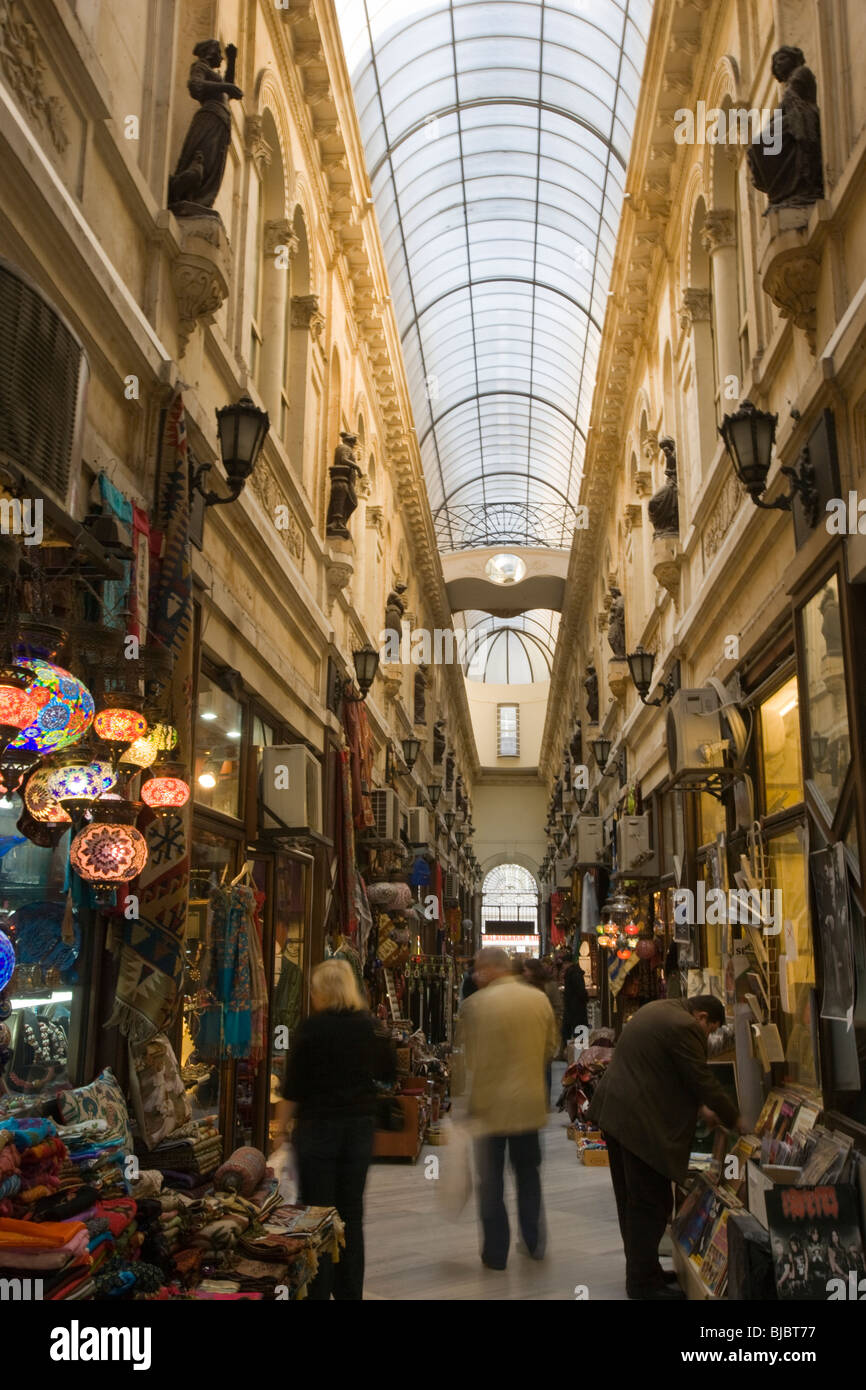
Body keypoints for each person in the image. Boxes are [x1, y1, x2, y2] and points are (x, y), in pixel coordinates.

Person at [589, 994, 746, 1301]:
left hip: (617, 1113)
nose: (708, 1036)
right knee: (650, 1202)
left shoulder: (658, 1008)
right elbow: (702, 1078)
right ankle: (642, 1284)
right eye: (711, 1029)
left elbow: (668, 1067)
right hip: (638, 1123)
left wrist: (702, 1108)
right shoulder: (684, 1026)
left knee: (632, 1200)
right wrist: (736, 1119)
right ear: (701, 1017)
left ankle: (644, 1271)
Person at [272, 958, 395, 1300]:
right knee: (351, 1214)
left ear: (322, 992)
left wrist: (280, 1132)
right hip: (358, 1130)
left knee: (317, 1213)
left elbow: (292, 1089)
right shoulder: (370, 1026)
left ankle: (318, 1290)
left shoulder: (310, 1030)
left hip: (317, 1131)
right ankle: (349, 1292)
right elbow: (388, 1074)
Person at [460, 946, 558, 1270]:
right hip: (529, 1104)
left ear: (492, 969)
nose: (474, 975)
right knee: (528, 1174)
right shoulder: (538, 999)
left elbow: (468, 1060)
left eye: (477, 969)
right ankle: (534, 1241)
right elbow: (550, 1048)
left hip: (489, 1108)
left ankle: (495, 1252)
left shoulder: (475, 1006)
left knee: (491, 1182)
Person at [561, 959, 589, 1056]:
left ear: (568, 963)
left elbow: (580, 991)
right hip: (577, 1009)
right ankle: (580, 1056)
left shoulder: (573, 974)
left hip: (574, 1009)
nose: (563, 967)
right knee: (579, 1034)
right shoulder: (575, 973)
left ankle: (576, 1056)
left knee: (574, 1033)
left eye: (563, 964)